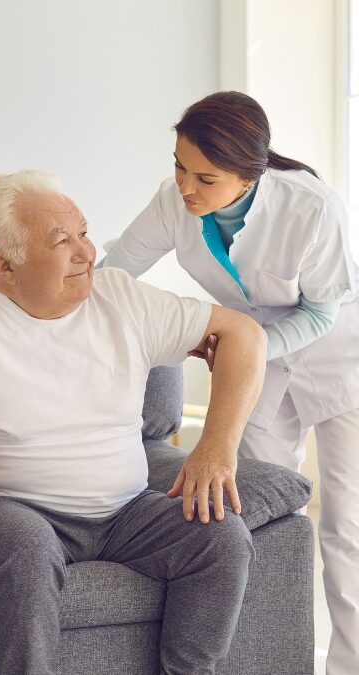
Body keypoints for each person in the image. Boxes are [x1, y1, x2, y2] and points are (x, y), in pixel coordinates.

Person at [0, 170, 268, 674]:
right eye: (61, 241)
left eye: (84, 233)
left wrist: (215, 447)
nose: (86, 252)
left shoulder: (122, 299)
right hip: (1, 508)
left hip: (125, 512)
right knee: (27, 547)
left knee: (221, 537)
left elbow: (243, 335)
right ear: (6, 266)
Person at [100, 90, 359, 674]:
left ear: (251, 175)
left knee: (348, 526)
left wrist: (244, 348)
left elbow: (319, 313)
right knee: (260, 513)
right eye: (178, 165)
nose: (186, 187)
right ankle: (271, 660)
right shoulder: (176, 201)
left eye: (205, 178)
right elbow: (118, 269)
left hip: (340, 356)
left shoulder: (311, 206)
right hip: (259, 362)